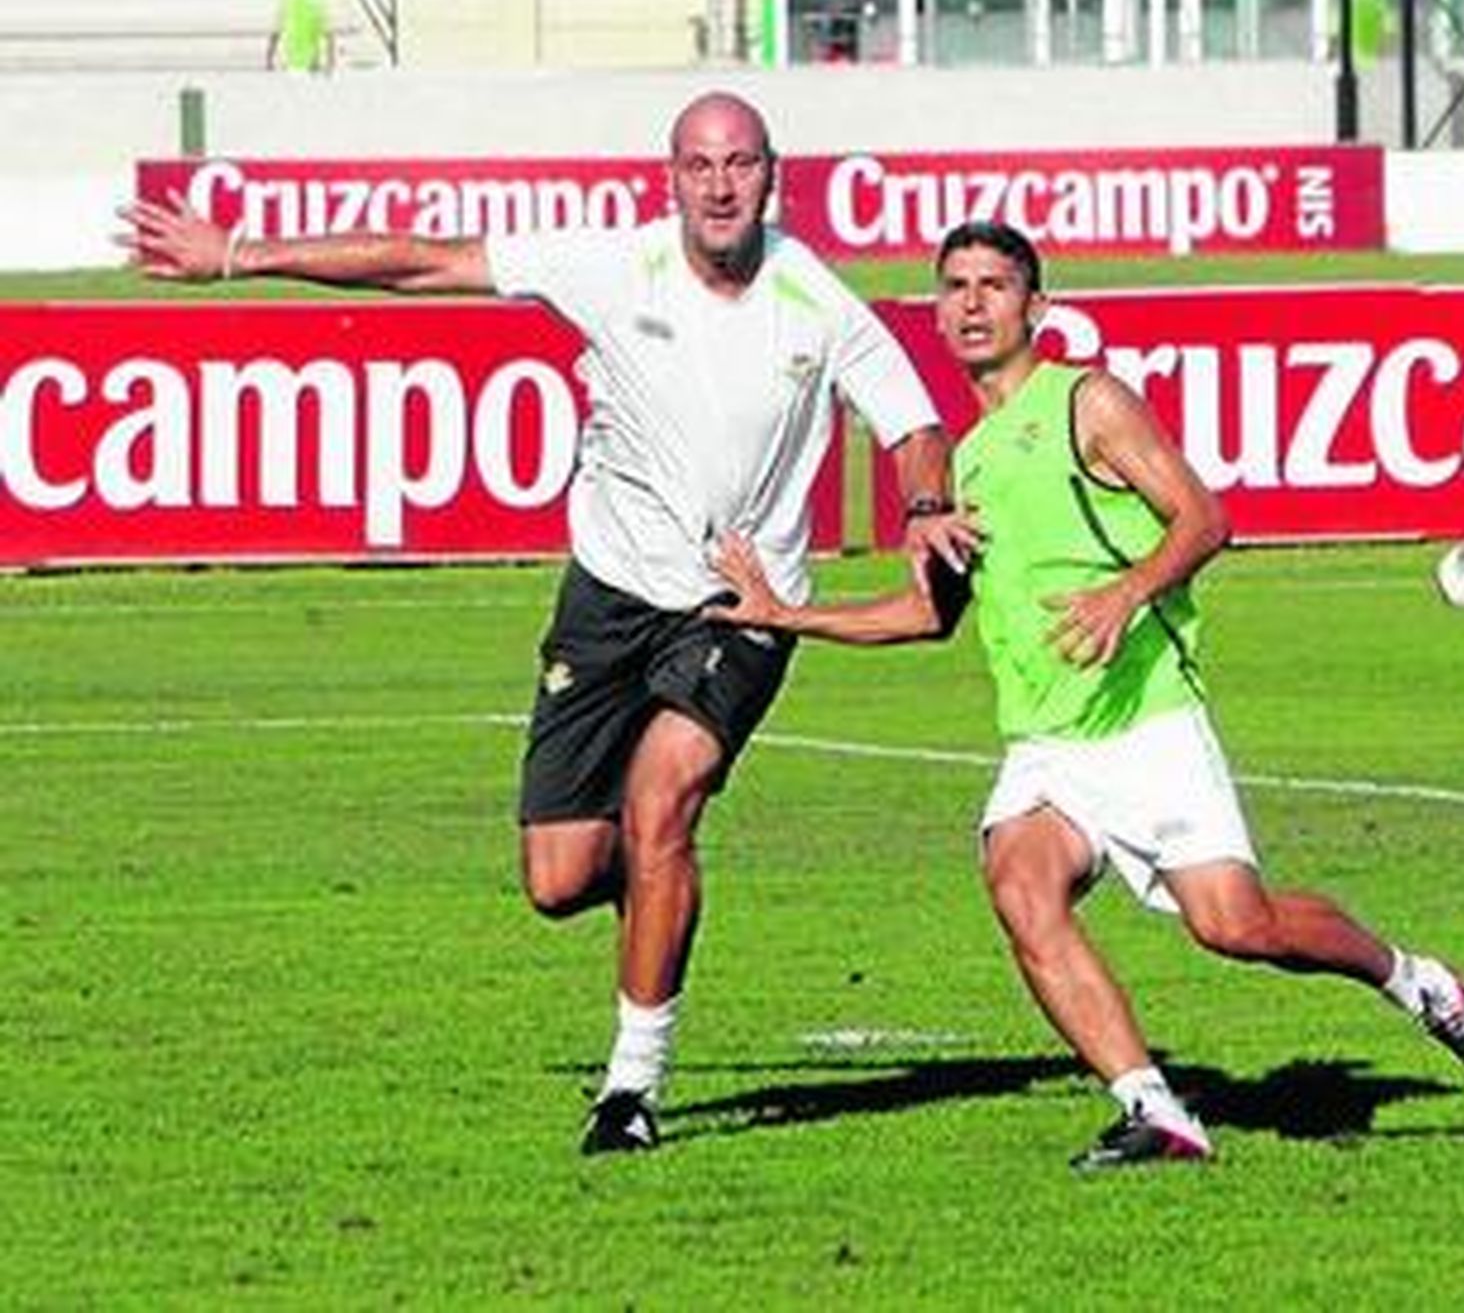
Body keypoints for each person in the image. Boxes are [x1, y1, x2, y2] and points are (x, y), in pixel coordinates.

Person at [118, 91, 972, 1155]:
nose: (719, 185)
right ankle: (661, 889)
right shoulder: (611, 265)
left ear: (772, 175)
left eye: (740, 164)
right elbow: (424, 262)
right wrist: (239, 254)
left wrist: (928, 507)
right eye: (700, 165)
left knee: (662, 806)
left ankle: (631, 1089)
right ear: (671, 176)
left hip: (740, 603)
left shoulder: (816, 298)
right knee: (561, 879)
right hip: (608, 596)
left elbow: (916, 426)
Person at [706, 220, 1464, 1170]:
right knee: (1019, 880)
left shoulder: (1087, 402)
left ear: (1035, 308)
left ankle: (1419, 982)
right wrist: (782, 612)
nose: (971, 302)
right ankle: (1155, 1109)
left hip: (1145, 719)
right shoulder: (966, 464)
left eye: (994, 285)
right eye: (955, 285)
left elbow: (1206, 517)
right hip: (1049, 745)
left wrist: (1127, 592)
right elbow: (930, 617)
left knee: (1235, 925)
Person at [267, 0, 334, 74]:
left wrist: (269, 59)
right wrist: (330, 62)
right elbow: (329, 34)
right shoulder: (315, 2)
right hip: (312, 62)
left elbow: (275, 34)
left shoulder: (285, 3)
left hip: (290, 61)